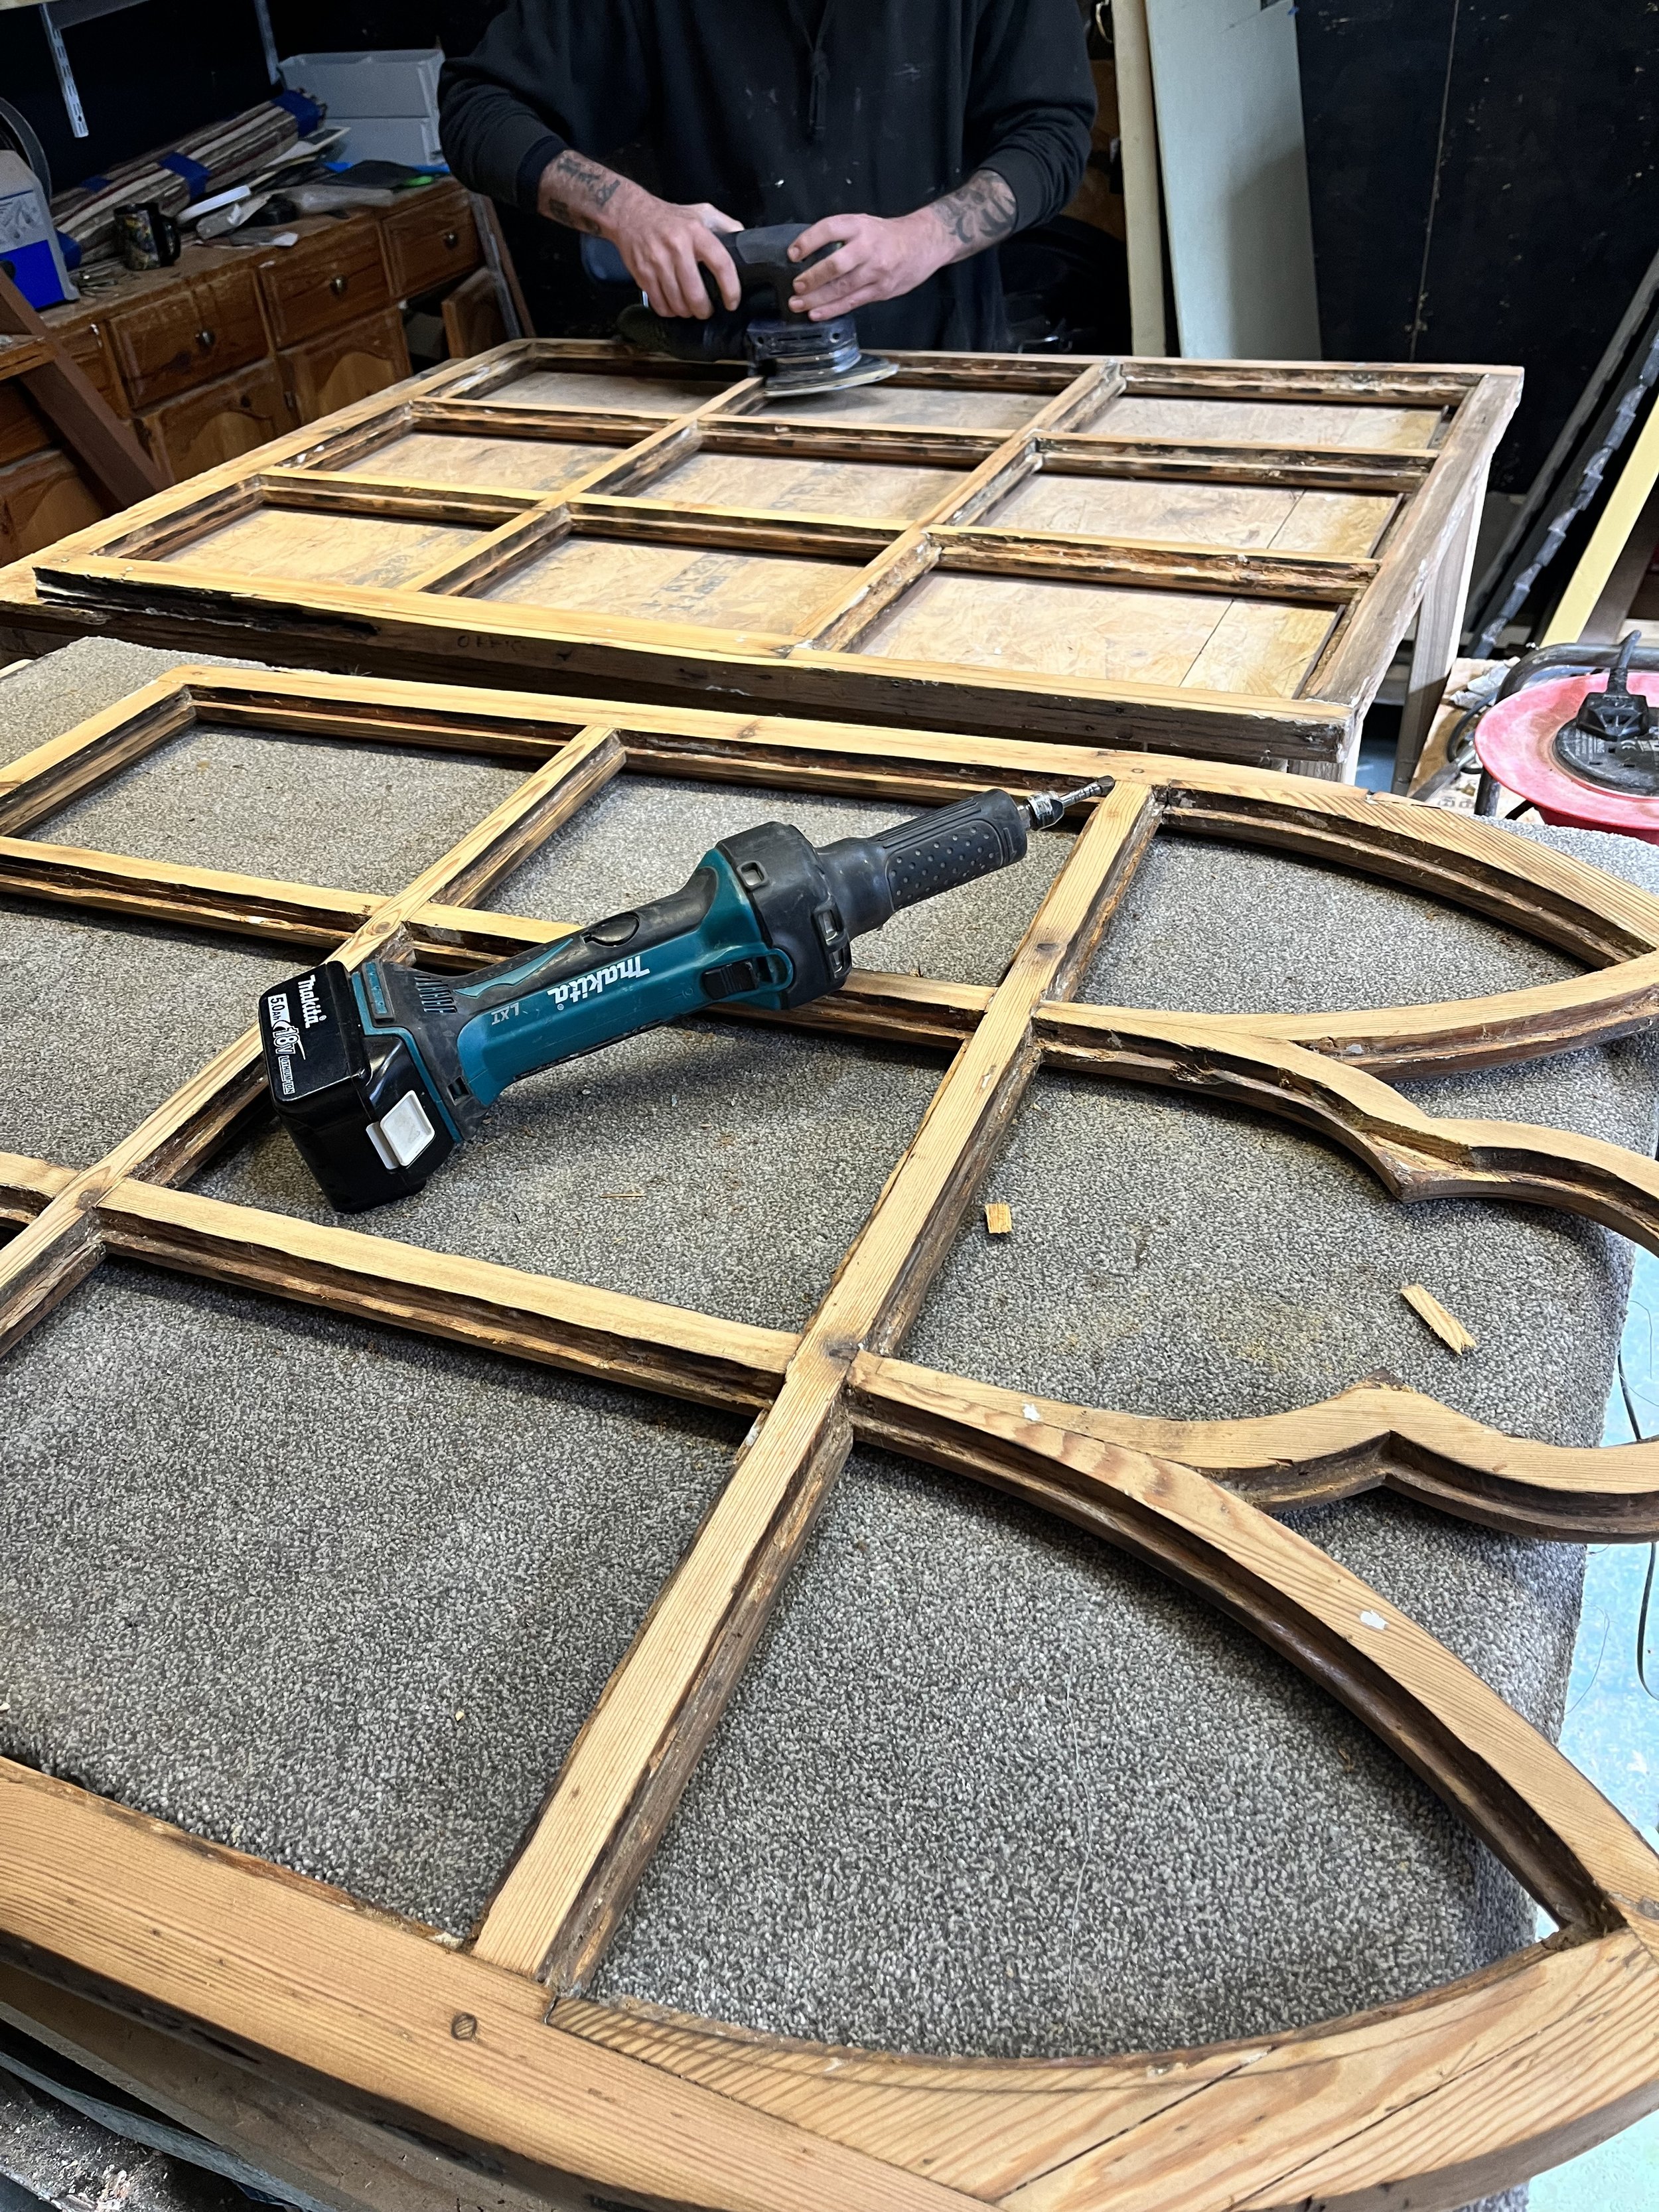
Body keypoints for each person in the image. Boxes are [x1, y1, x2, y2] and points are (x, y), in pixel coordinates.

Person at [437, 1, 1094, 353]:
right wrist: (629, 213)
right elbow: (479, 111)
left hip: (938, 370)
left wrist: (926, 236)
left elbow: (1053, 133)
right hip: (712, 382)